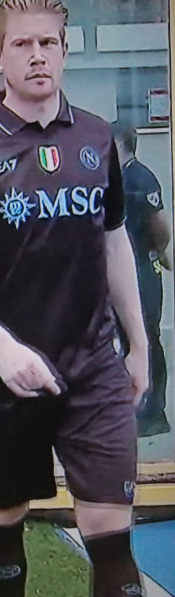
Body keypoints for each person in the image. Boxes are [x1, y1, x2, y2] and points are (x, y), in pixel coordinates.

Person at [0, 2, 147, 597]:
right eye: (22, 45)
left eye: (49, 43)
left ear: (65, 51)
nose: (37, 55)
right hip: (4, 380)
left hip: (92, 370)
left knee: (112, 540)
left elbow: (114, 243)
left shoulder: (96, 138)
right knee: (4, 523)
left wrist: (138, 343)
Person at [114, 123, 172, 438]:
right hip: (124, 271)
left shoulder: (139, 178)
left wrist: (156, 253)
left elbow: (159, 226)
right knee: (127, 340)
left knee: (146, 337)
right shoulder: (117, 178)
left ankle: (154, 413)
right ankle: (134, 409)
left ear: (120, 143)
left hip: (142, 270)